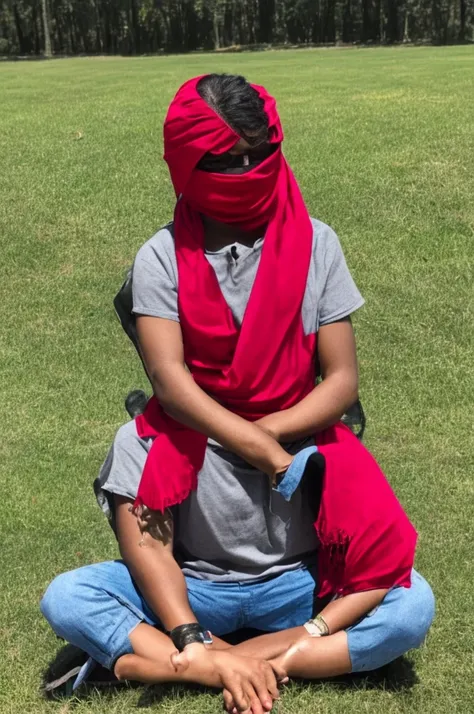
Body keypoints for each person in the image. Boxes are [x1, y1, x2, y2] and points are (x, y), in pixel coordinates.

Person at [41, 74, 435, 714]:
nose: (248, 172)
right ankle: (217, 650)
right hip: (198, 585)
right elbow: (171, 382)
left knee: (412, 604)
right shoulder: (161, 258)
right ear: (187, 164)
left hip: (302, 580)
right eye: (226, 161)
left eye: (259, 155)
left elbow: (340, 380)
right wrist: (244, 439)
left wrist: (272, 431)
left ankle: (203, 663)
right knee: (68, 594)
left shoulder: (318, 245)